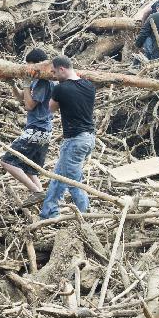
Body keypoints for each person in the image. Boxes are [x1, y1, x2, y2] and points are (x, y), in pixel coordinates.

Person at [39, 56, 96, 219]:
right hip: (89, 138)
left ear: (62, 69)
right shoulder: (89, 85)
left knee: (73, 182)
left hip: (75, 140)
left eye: (55, 72)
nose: (54, 76)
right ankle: (48, 212)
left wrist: (53, 88)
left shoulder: (61, 88)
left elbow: (50, 108)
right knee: (58, 177)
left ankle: (86, 216)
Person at [0, 48, 54, 201]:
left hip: (37, 129)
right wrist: (13, 85)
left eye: (30, 66)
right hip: (42, 130)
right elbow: (22, 100)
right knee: (30, 169)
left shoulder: (44, 82)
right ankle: (44, 199)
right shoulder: (36, 81)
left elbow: (29, 106)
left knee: (7, 161)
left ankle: (36, 193)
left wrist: (26, 84)